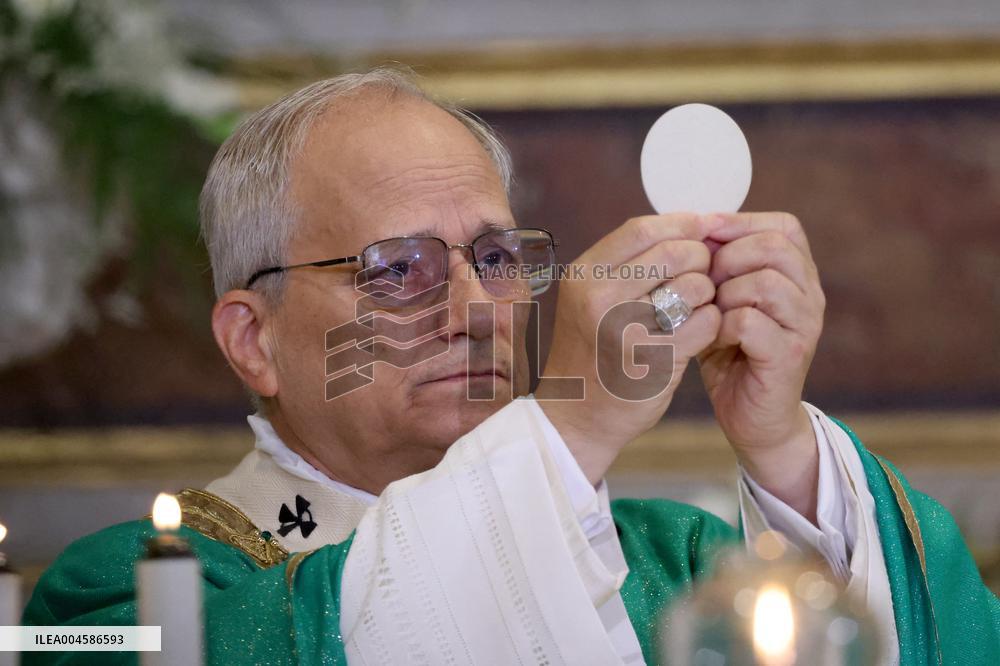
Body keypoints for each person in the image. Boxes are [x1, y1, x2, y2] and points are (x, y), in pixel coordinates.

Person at [24, 67, 998, 665]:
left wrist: (779, 443)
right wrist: (574, 419)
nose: (475, 309)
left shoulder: (684, 567)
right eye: (397, 268)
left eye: (494, 259)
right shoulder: (124, 600)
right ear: (252, 338)